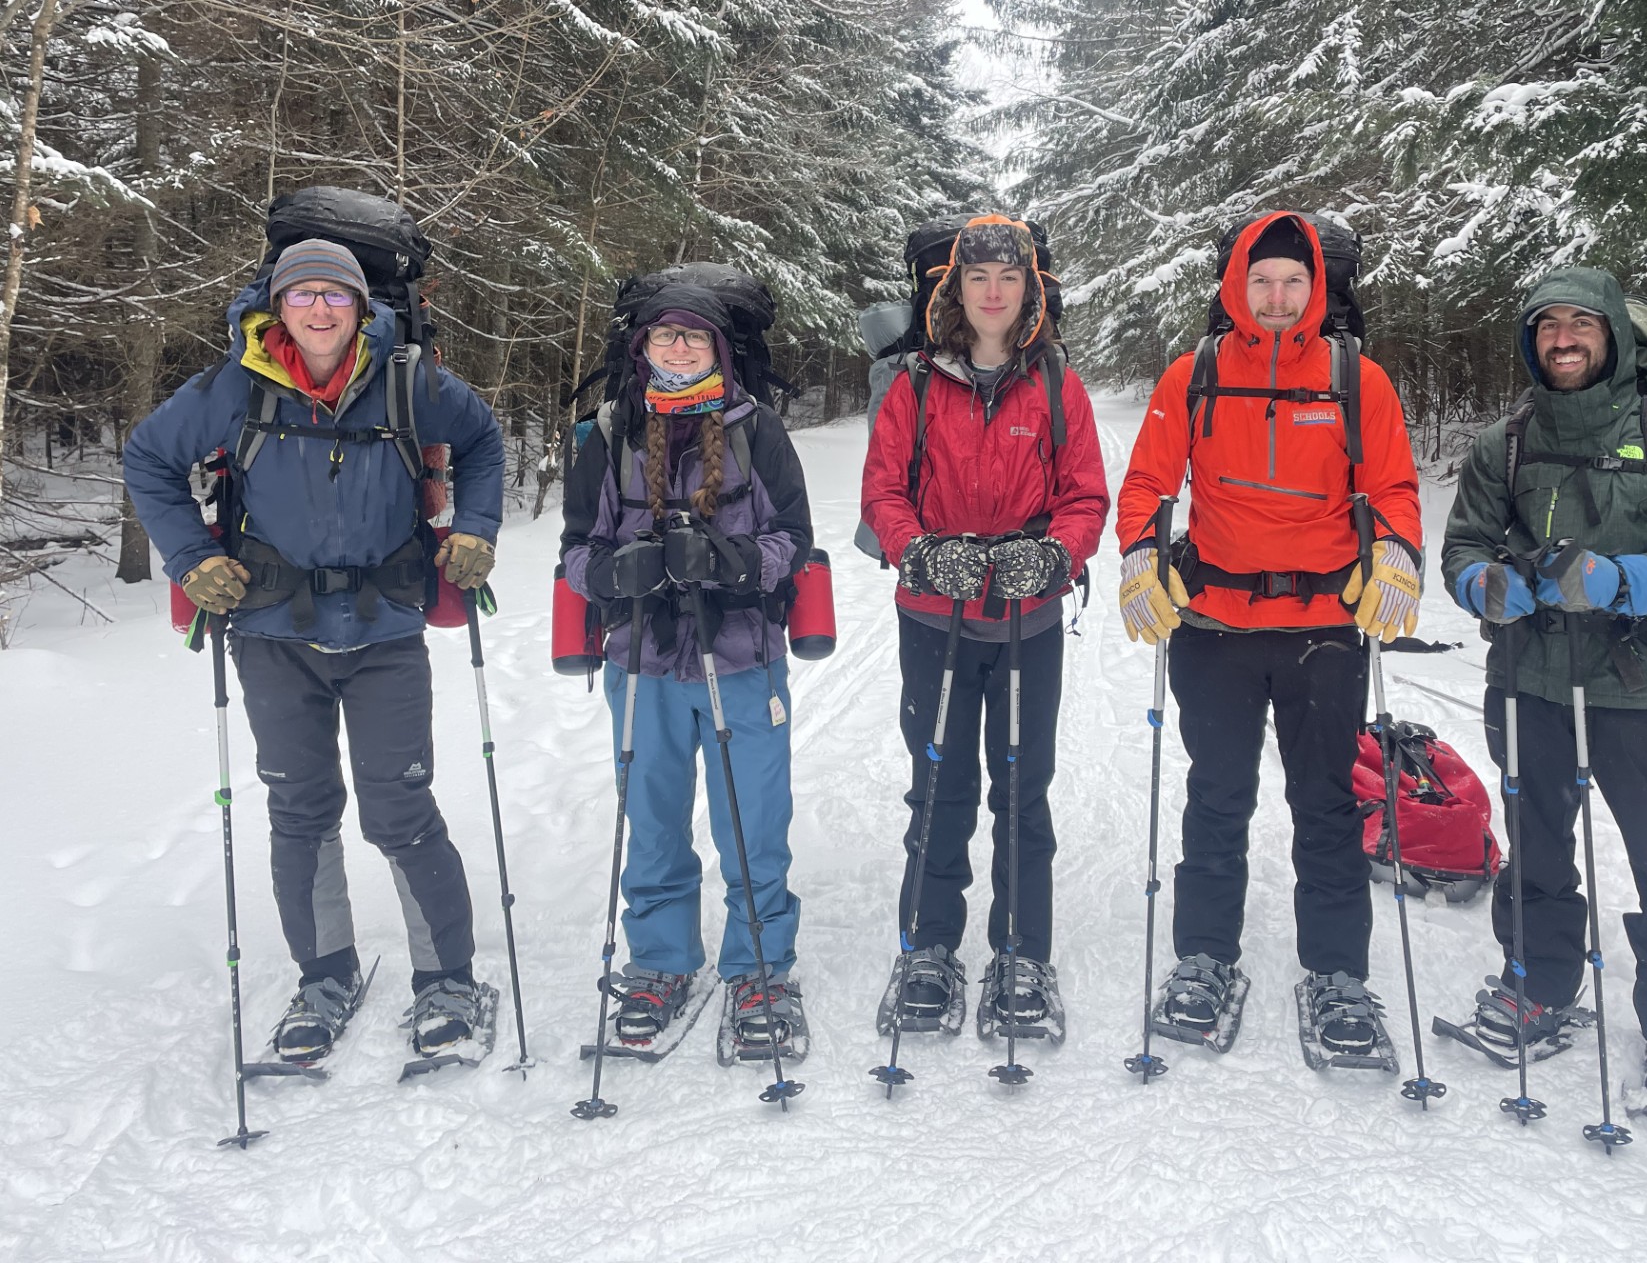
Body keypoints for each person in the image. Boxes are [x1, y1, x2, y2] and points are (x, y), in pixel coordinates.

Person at [125, 238, 504, 1063]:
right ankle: (322, 976)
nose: (322, 309)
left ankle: (447, 981)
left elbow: (481, 440)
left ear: (362, 308)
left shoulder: (408, 382)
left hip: (385, 631)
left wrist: (475, 529)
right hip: (271, 632)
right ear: (278, 307)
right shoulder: (235, 385)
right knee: (298, 812)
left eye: (338, 296)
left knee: (401, 808)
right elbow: (148, 458)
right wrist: (192, 557)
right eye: (305, 297)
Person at [1113, 210, 1422, 1065]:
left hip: (1324, 628)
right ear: (1236, 287)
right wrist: (1142, 557)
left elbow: (1393, 485)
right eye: (1263, 281)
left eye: (1294, 281)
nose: (1279, 298)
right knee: (1216, 795)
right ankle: (1204, 959)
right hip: (1215, 625)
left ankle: (1338, 974)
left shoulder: (1358, 378)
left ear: (1317, 287)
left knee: (1325, 803)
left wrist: (1396, 553)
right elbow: (1146, 482)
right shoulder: (1195, 375)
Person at [1441, 266, 1647, 1128]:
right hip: (1528, 678)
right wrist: (1482, 586)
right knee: (1533, 844)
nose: (1562, 340)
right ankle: (1536, 987)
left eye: (1579, 324)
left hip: (1640, 684)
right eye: (1546, 327)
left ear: (1608, 333)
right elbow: (1463, 546)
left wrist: (1625, 578)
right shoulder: (1505, 440)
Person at [860, 214, 1109, 1042]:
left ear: (1029, 289)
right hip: (934, 619)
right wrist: (921, 553)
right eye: (978, 278)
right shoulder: (916, 386)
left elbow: (1084, 497)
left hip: (1025, 622)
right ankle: (929, 945)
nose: (993, 292)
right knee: (939, 786)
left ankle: (1021, 950)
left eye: (1008, 278)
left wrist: (1056, 557)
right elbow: (883, 493)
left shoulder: (1056, 385)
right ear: (954, 289)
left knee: (1020, 786)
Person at [561, 280, 814, 1062]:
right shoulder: (609, 432)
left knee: (752, 823)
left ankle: (761, 968)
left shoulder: (755, 429)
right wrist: (613, 575)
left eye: (693, 339)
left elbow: (794, 540)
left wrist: (734, 561)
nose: (678, 350)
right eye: (664, 338)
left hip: (741, 657)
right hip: (641, 661)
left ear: (718, 351)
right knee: (655, 820)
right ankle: (663, 962)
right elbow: (577, 551)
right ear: (642, 349)